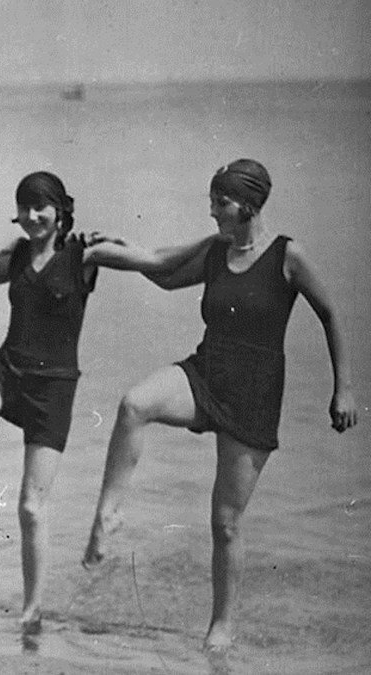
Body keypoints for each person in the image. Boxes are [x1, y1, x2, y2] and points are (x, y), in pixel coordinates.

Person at [0, 171, 216, 632]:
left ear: (60, 208)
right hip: (8, 371)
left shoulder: (87, 253)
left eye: (39, 207)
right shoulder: (19, 252)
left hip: (53, 391)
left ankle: (32, 611)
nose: (30, 217)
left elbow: (154, 260)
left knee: (30, 507)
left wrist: (212, 240)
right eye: (23, 208)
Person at [81, 159, 357, 651]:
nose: (212, 212)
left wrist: (344, 388)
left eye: (219, 203)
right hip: (206, 373)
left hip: (254, 396)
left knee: (225, 524)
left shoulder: (287, 256)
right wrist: (110, 247)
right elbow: (163, 270)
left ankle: (221, 628)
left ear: (247, 205)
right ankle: (108, 514)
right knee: (133, 404)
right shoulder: (215, 250)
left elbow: (332, 313)